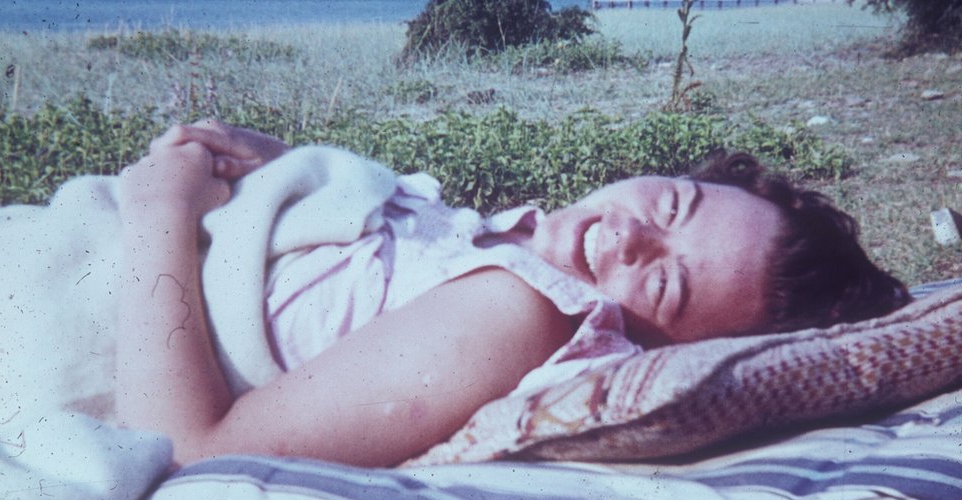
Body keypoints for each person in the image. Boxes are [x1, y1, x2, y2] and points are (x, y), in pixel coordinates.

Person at [115, 121, 910, 468]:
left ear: (665, 347)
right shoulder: (514, 245)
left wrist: (160, 211)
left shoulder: (522, 312)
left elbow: (187, 448)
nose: (632, 235)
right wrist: (281, 167)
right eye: (671, 203)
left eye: (663, 281)